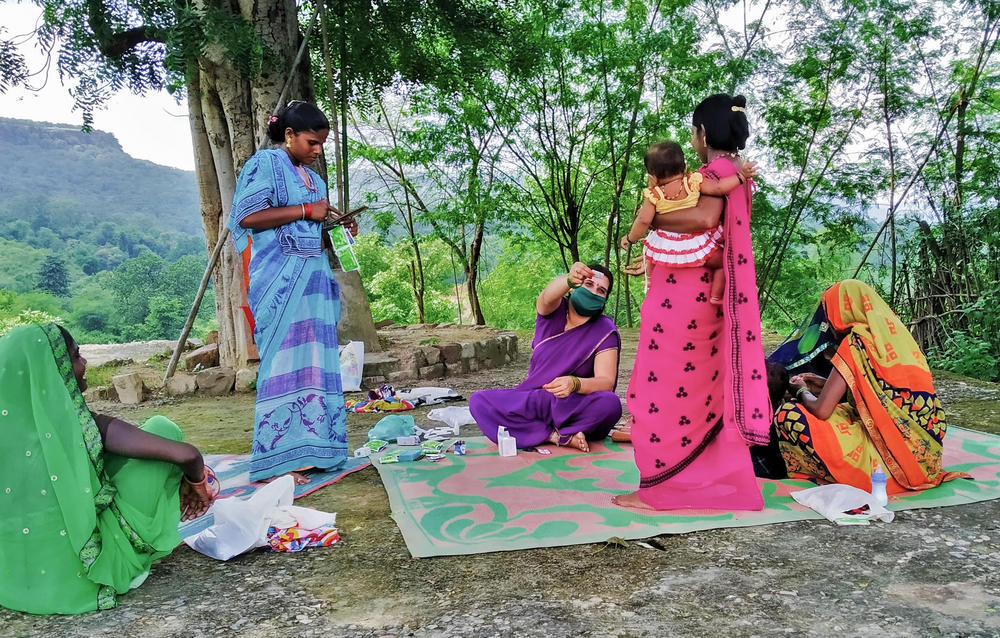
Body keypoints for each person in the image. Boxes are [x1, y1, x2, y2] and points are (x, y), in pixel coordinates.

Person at [614, 94, 771, 510]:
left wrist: (649, 220)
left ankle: (662, 492)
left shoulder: (713, 173)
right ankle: (695, 484)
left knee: (662, 390)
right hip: (695, 296)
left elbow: (702, 221)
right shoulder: (730, 171)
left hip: (687, 303)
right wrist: (653, 247)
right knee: (695, 392)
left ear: (702, 133)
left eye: (693, 130)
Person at [0, 324, 216, 615]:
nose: (84, 364)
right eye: (75, 357)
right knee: (162, 428)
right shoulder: (77, 425)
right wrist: (196, 482)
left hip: (15, 583)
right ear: (53, 371)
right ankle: (145, 534)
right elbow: (187, 455)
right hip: (87, 573)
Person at [228, 101, 357, 484]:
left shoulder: (314, 181)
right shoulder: (266, 164)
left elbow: (312, 226)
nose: (318, 150)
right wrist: (305, 210)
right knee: (283, 365)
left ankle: (315, 450)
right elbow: (246, 217)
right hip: (278, 282)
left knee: (315, 362)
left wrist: (339, 223)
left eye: (322, 144)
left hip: (313, 281)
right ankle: (276, 461)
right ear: (288, 135)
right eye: (312, 142)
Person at [770, 279, 968, 493]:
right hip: (926, 460)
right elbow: (878, 393)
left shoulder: (855, 343)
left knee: (789, 413)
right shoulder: (896, 339)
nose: (826, 319)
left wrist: (801, 390)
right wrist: (824, 384)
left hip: (888, 463)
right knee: (842, 409)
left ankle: (842, 473)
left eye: (829, 311)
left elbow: (822, 410)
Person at [469, 263, 622, 452]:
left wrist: (575, 384)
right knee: (479, 402)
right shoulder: (554, 312)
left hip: (572, 405)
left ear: (605, 299)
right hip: (537, 399)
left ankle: (541, 431)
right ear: (575, 286)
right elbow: (546, 296)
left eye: (601, 290)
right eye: (588, 284)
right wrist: (568, 279)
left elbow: (605, 382)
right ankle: (556, 436)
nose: (593, 292)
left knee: (610, 404)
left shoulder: (604, 329)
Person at [620, 140, 755, 304]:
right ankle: (716, 296)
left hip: (665, 244)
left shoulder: (653, 195)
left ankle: (651, 284)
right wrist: (740, 177)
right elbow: (719, 188)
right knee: (722, 262)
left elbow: (643, 220)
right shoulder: (693, 182)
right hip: (695, 242)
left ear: (652, 177)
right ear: (684, 167)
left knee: (652, 259)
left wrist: (630, 238)